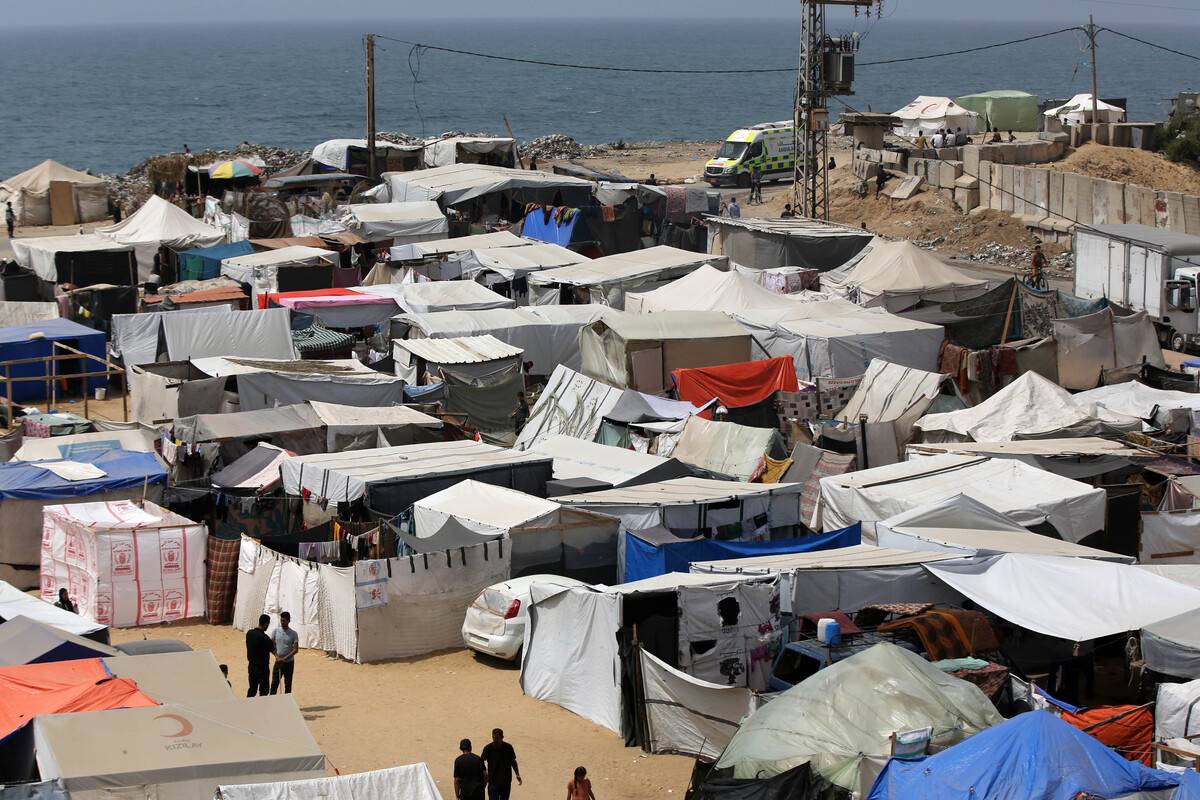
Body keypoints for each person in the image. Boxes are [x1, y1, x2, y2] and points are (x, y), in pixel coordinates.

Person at [481, 729, 521, 800]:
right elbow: (481, 762)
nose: (495, 740)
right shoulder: (488, 748)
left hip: (505, 782)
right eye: (493, 737)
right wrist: (484, 773)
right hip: (493, 782)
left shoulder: (508, 747)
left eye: (497, 738)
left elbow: (513, 761)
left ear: (502, 737)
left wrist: (517, 774)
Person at [269, 611, 299, 695]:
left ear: (289, 621)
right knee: (274, 684)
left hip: (289, 663)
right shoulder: (276, 631)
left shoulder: (293, 634)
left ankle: (287, 704)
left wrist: (284, 658)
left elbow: (296, 649)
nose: (282, 622)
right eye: (281, 620)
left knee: (288, 685)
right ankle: (272, 703)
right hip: (278, 662)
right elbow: (272, 645)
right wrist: (276, 656)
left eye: (284, 621)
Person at [245, 614, 272, 697]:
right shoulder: (265, 638)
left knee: (252, 689)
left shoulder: (249, 633)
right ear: (266, 624)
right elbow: (273, 649)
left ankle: (248, 707)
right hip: (262, 669)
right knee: (264, 691)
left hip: (252, 666)